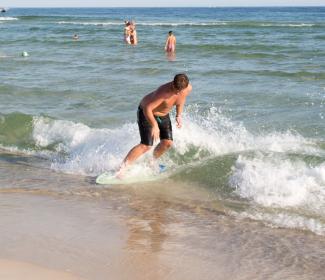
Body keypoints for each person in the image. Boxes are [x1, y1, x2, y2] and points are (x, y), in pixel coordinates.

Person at [116, 73, 192, 178]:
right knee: (146, 145)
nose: (177, 92)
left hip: (163, 115)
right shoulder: (163, 93)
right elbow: (148, 108)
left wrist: (178, 115)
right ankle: (121, 169)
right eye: (176, 90)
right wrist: (154, 125)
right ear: (173, 84)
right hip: (146, 113)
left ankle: (151, 162)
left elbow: (181, 99)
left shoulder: (186, 89)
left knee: (167, 143)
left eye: (180, 91)